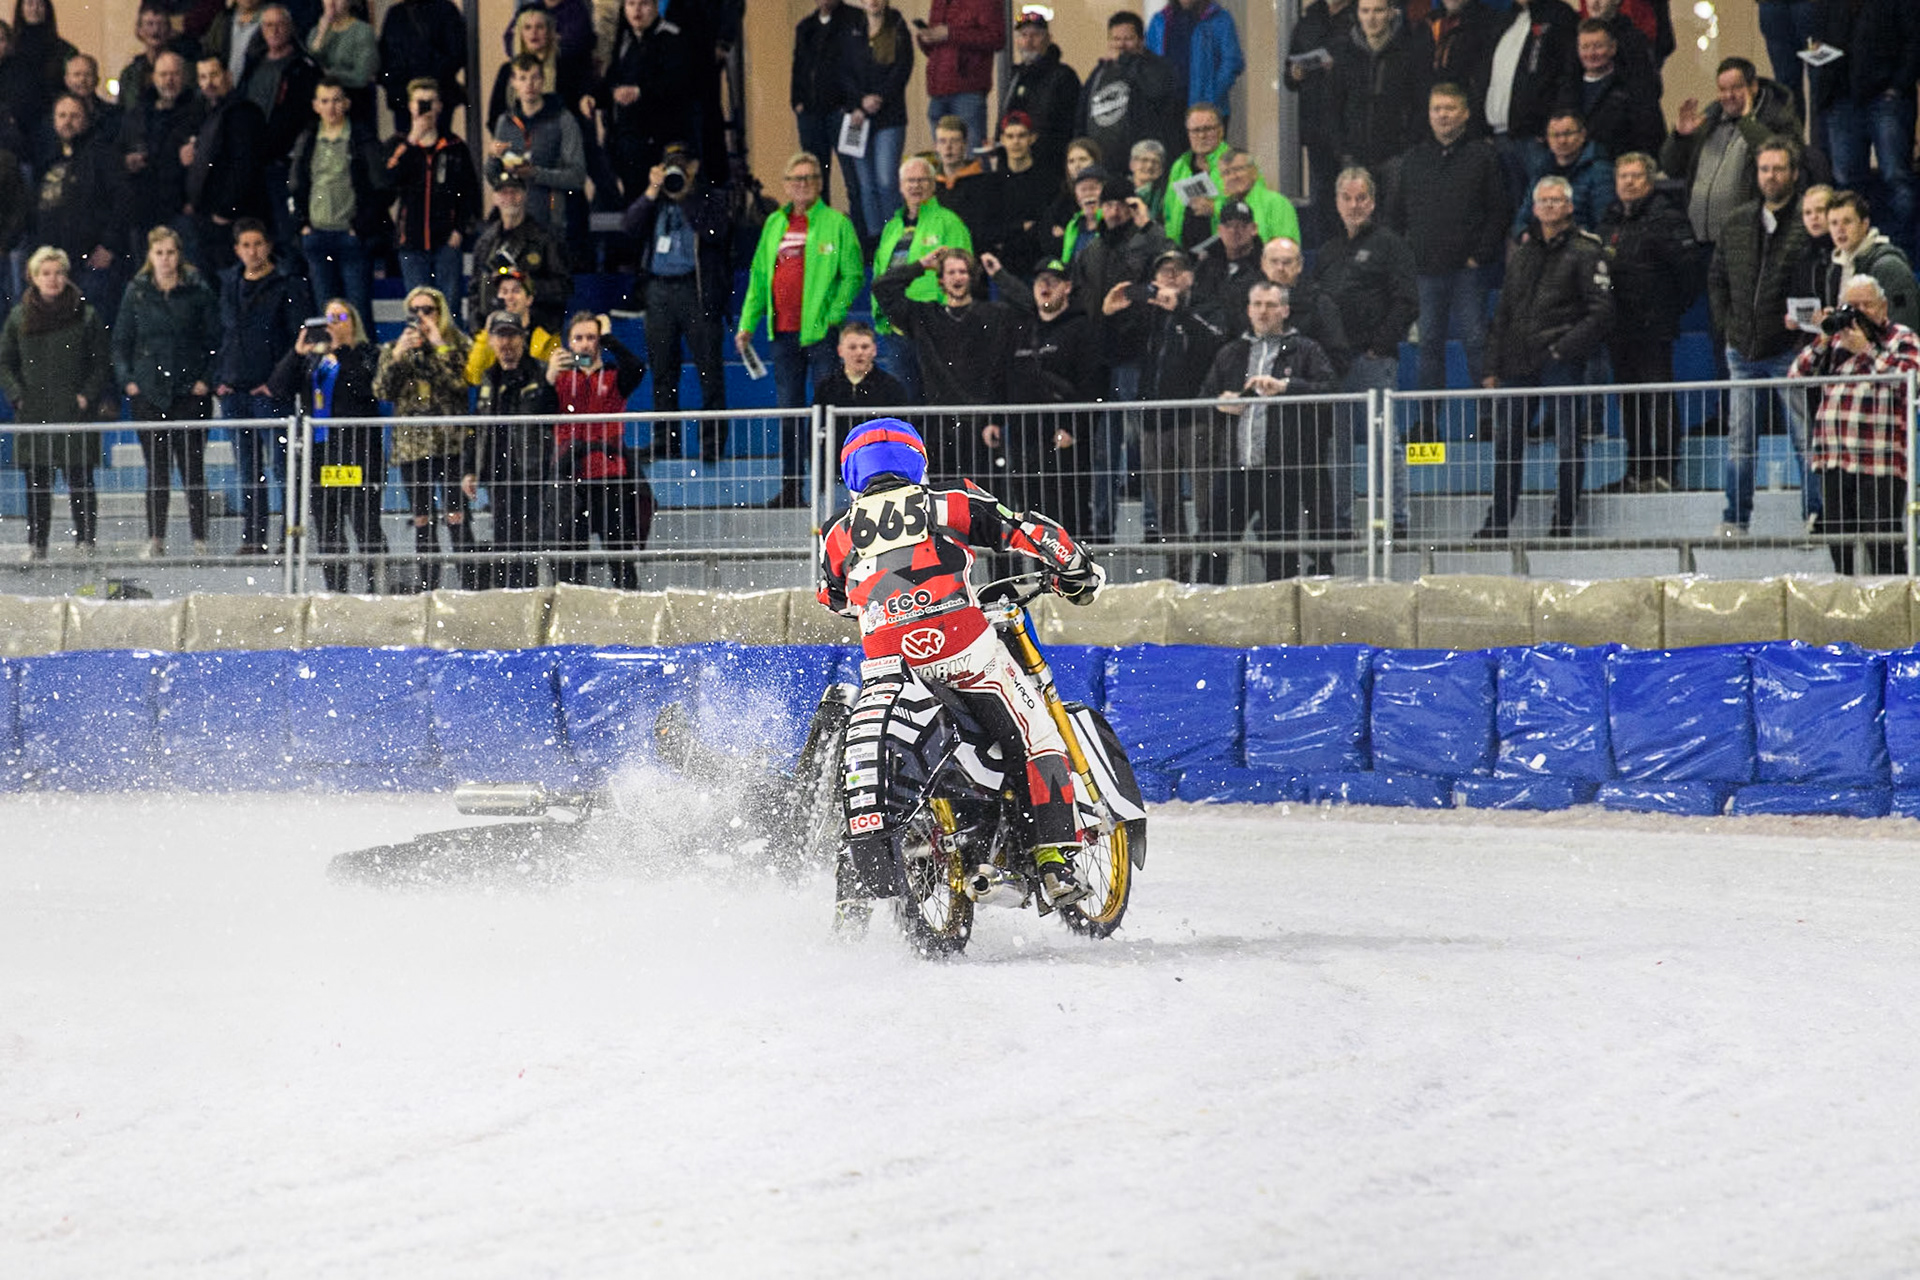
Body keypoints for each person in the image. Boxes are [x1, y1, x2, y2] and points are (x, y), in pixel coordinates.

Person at [817, 416, 1106, 908]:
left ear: (851, 473)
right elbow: (1026, 532)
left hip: (889, 664)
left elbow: (834, 598)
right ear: (917, 461)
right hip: (962, 651)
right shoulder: (947, 502)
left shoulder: (837, 533)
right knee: (1037, 737)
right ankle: (1053, 861)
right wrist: (1075, 565)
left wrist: (889, 603)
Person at [1478, 175, 1615, 540]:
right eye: (1544, 201)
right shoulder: (1522, 253)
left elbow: (1602, 312)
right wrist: (1492, 365)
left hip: (1562, 362)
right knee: (1507, 444)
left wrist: (1562, 349)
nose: (1550, 207)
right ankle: (1498, 522)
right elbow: (1503, 312)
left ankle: (1563, 522)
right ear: (1534, 208)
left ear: (1569, 206)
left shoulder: (1587, 250)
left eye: (1557, 201)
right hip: (1517, 362)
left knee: (1568, 443)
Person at [737, 151, 864, 504]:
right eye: (796, 179)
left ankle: (828, 486)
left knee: (825, 413)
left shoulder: (836, 223)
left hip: (822, 335)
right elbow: (759, 279)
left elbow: (853, 275)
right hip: (782, 333)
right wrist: (747, 324)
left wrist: (832, 316)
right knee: (790, 413)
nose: (803, 184)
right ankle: (792, 487)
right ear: (786, 185)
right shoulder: (774, 224)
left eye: (809, 178)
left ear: (819, 184)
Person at [1196, 280, 1340, 582]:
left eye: (1271, 305)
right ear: (1248, 310)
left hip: (1280, 468)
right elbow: (1204, 398)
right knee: (1214, 547)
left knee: (1280, 551)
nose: (1263, 311)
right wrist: (1220, 402)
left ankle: (1282, 608)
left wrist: (1286, 387)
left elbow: (1329, 389)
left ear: (1285, 310)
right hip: (1234, 466)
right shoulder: (1230, 352)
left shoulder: (1306, 349)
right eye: (1257, 304)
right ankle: (1206, 602)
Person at [1103, 246, 1228, 579]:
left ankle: (1210, 575)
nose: (1170, 278)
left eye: (1177, 271)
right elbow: (1115, 354)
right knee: (1166, 508)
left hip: (1196, 421)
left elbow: (1216, 342)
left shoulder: (1207, 306)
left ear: (1190, 277)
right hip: (1154, 423)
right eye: (1163, 272)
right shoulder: (1147, 314)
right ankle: (1178, 575)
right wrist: (1111, 316)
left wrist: (1181, 311)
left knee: (1206, 504)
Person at [1710, 137, 1812, 537]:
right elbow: (1717, 279)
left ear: (1794, 173)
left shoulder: (1806, 221)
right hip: (1741, 349)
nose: (1771, 176)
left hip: (1789, 350)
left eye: (1778, 168)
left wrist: (1801, 338)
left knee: (1805, 437)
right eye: (1764, 169)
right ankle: (1735, 520)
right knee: (1739, 440)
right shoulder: (1737, 221)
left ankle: (1815, 516)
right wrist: (1728, 326)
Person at [1311, 166, 1419, 535]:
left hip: (1372, 361)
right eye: (1347, 198)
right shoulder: (1328, 251)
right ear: (1337, 202)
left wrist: (1380, 345)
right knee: (1336, 447)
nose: (1354, 205)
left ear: (1372, 202)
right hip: (1334, 364)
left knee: (1384, 443)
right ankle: (1339, 521)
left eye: (1361, 198)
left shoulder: (1390, 244)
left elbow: (1407, 300)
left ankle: (1396, 519)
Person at [1789, 274, 1920, 575]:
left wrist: (1867, 350)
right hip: (1833, 458)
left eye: (1866, 305)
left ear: (1883, 307)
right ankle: (1846, 600)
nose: (1859, 312)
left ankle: (1892, 600)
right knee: (1839, 542)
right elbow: (1796, 376)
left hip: (1880, 459)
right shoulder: (1835, 340)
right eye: (1852, 306)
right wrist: (1823, 337)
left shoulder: (1901, 338)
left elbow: (1912, 381)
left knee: (1882, 543)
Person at [1387, 82, 1508, 397]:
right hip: (1424, 271)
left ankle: (1488, 415)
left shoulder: (1483, 156)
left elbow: (1499, 211)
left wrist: (1479, 256)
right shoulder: (1412, 160)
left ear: (1465, 113)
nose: (1443, 115)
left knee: (1476, 340)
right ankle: (1427, 419)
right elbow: (1396, 216)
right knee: (1428, 345)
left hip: (1468, 271)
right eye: (1436, 109)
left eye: (1450, 108)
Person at [872, 246, 1021, 486]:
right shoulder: (925, 316)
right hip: (939, 426)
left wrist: (999, 275)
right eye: (951, 272)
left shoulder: (994, 315)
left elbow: (1030, 308)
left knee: (987, 498)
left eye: (963, 271)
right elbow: (882, 288)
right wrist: (921, 265)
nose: (957, 277)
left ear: (972, 277)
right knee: (943, 497)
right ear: (941, 279)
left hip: (982, 424)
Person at [1594, 150, 1698, 495]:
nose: (1629, 182)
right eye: (1623, 176)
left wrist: (1666, 309)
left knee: (1659, 398)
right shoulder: (1609, 219)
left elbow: (1689, 273)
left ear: (1650, 181)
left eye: (1636, 176)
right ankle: (1636, 471)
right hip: (1618, 327)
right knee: (1630, 402)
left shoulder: (1666, 217)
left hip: (1655, 325)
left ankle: (1665, 471)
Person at [113, 226, 220, 560]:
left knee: (192, 468)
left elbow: (216, 339)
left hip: (190, 393)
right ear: (150, 255)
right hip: (149, 393)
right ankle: (155, 538)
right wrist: (128, 381)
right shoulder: (136, 292)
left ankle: (200, 539)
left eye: (170, 252)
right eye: (159, 253)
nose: (165, 259)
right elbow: (121, 341)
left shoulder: (198, 290)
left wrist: (206, 379)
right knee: (156, 470)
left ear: (179, 254)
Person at [270, 296, 388, 593]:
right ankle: (336, 591)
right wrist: (296, 354)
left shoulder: (367, 353)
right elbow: (278, 388)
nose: (333, 323)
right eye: (329, 318)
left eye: (341, 318)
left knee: (365, 524)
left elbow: (366, 389)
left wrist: (342, 354)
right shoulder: (314, 359)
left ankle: (376, 588)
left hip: (357, 453)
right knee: (328, 529)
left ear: (354, 324)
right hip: (321, 455)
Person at [622, 141, 730, 463]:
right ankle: (665, 442)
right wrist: (651, 192)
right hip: (658, 290)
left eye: (682, 164)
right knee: (662, 372)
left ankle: (711, 444)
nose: (676, 171)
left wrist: (686, 197)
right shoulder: (656, 200)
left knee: (709, 371)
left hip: (696, 290)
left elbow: (715, 233)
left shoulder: (710, 198)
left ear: (694, 167)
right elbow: (629, 227)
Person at [0, 244, 107, 558]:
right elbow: (4, 362)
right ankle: (37, 545)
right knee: (37, 485)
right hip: (34, 413)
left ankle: (85, 542)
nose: (53, 279)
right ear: (33, 277)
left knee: (80, 481)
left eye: (59, 273)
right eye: (46, 273)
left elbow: (101, 363)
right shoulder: (18, 317)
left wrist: (86, 396)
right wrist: (17, 395)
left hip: (74, 412)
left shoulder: (86, 315)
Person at [212, 217, 309, 556]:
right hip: (235, 392)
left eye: (257, 244)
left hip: (272, 393)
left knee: (284, 468)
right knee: (248, 470)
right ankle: (254, 537)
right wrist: (220, 378)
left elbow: (298, 342)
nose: (252, 251)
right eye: (246, 245)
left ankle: (291, 536)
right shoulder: (228, 284)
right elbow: (220, 334)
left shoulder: (287, 284)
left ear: (267, 246)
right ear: (237, 250)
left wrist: (276, 383)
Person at [990, 255, 1101, 537]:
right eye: (1041, 281)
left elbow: (1092, 385)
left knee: (1068, 511)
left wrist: (1073, 429)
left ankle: (1073, 564)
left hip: (1062, 439)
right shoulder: (1021, 329)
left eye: (1053, 281)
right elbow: (1002, 377)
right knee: (1027, 510)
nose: (1045, 287)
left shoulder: (1081, 329)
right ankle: (1036, 562)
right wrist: (993, 420)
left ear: (1067, 287)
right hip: (1022, 437)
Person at [373, 285, 473, 590]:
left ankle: (471, 586)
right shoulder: (395, 348)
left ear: (440, 312)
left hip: (450, 444)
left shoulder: (457, 344)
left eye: (427, 310)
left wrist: (439, 346)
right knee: (421, 519)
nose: (420, 316)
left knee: (456, 516)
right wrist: (398, 356)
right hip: (412, 446)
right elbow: (382, 391)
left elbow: (460, 382)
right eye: (414, 311)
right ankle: (429, 588)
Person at [545, 310, 651, 590]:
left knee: (621, 558)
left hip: (610, 477)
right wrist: (549, 376)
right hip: (570, 478)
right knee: (570, 561)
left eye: (591, 337)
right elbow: (538, 411)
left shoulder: (615, 376)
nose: (584, 344)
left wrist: (609, 338)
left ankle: (630, 608)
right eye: (578, 338)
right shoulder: (560, 378)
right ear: (569, 343)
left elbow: (637, 367)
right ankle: (571, 612)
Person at [1809, 0, 1918, 260]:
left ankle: (1903, 255)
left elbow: (1915, 39)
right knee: (1847, 182)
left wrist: (1898, 86)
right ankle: (1856, 255)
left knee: (1896, 177)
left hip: (1885, 95)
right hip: (1842, 97)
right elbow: (1820, 37)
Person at [1661, 56, 1802, 248]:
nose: (1729, 95)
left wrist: (1748, 123)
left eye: (1736, 88)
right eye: (1722, 89)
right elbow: (1671, 168)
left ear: (1753, 87)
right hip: (1700, 239)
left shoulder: (1778, 118)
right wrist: (1680, 137)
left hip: (1748, 241)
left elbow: (1782, 162)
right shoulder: (1709, 120)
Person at [466, 308, 558, 590]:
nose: (506, 343)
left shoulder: (539, 373)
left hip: (532, 471)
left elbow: (550, 412)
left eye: (511, 336)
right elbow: (476, 427)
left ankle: (532, 593)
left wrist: (548, 384)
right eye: (500, 336)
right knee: (504, 539)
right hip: (498, 473)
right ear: (492, 341)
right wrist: (470, 469)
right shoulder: (488, 377)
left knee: (532, 539)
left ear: (522, 338)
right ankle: (510, 595)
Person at [871, 153, 972, 401]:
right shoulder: (892, 227)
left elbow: (963, 271)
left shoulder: (949, 222)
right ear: (900, 186)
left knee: (937, 399)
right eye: (910, 181)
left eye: (922, 180)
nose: (916, 186)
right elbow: (880, 272)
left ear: (933, 185)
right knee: (904, 403)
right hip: (896, 329)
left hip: (934, 326)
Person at [288, 76, 386, 328]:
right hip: (316, 235)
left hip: (351, 235)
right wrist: (302, 223)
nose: (330, 107)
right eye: (324, 101)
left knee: (358, 313)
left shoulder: (361, 137)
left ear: (346, 103)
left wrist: (361, 226)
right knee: (326, 313)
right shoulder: (308, 138)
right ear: (315, 105)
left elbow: (380, 186)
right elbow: (296, 183)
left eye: (336, 100)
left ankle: (360, 355)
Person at [30, 91, 129, 323]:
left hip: (92, 261)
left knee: (95, 328)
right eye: (62, 115)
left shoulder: (102, 154)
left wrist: (109, 245)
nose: (67, 121)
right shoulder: (47, 158)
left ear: (86, 119)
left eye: (74, 116)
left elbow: (124, 201)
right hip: (55, 265)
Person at [384, 76, 479, 304]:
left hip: (447, 239)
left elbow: (470, 192)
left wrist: (460, 229)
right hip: (411, 240)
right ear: (410, 106)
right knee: (418, 306)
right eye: (420, 102)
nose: (425, 107)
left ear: (439, 106)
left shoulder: (454, 146)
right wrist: (412, 141)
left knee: (449, 304)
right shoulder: (398, 144)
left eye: (430, 102)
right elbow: (387, 181)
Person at [237, 5, 321, 263]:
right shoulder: (254, 65)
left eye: (279, 24)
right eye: (268, 25)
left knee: (287, 236)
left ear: (291, 28)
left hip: (284, 164)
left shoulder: (303, 67)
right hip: (253, 165)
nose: (273, 31)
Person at [593, 0, 691, 208]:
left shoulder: (671, 37)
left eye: (643, 4)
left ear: (656, 6)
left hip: (658, 140)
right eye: (631, 4)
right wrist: (595, 97)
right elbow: (612, 80)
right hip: (625, 140)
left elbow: (677, 83)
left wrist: (640, 92)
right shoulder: (624, 40)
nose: (636, 10)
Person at [180, 55, 268, 279]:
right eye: (203, 77)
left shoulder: (243, 113)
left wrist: (226, 210)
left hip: (231, 219)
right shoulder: (207, 112)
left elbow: (244, 165)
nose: (208, 82)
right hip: (208, 217)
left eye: (214, 75)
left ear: (228, 76)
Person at [838, 0, 913, 244]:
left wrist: (878, 97)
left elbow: (902, 69)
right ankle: (874, 241)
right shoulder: (851, 28)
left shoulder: (897, 26)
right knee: (866, 186)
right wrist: (860, 101)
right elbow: (843, 71)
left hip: (889, 116)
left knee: (886, 181)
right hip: (856, 117)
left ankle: (896, 239)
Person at [486, 53, 585, 236]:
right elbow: (494, 178)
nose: (529, 85)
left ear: (543, 80)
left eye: (535, 77)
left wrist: (535, 173)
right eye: (523, 78)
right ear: (513, 82)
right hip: (514, 221)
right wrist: (493, 157)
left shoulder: (562, 119)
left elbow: (577, 177)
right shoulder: (505, 122)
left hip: (552, 220)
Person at [1287, 0, 1358, 247]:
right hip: (1315, 124)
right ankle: (1327, 252)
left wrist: (1338, 68)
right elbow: (1289, 73)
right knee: (1322, 197)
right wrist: (1294, 73)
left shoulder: (1359, 16)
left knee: (1353, 193)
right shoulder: (1308, 20)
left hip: (1350, 124)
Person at [466, 173, 571, 336]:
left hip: (536, 331)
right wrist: (477, 331)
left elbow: (563, 288)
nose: (509, 198)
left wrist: (526, 283)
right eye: (503, 193)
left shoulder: (545, 239)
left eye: (514, 192)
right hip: (493, 332)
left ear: (524, 195)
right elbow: (474, 293)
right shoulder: (485, 243)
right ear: (495, 198)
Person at [1075, 10, 1181, 169]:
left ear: (1141, 40)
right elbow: (1082, 113)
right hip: (1102, 165)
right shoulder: (1100, 71)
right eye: (1116, 39)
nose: (1121, 45)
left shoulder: (1156, 67)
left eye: (1128, 39)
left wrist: (1125, 60)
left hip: (1141, 165)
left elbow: (1156, 91)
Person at [1328, 0, 1423, 173]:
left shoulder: (1408, 55)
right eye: (1365, 11)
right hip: (1353, 158)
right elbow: (1332, 106)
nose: (1371, 18)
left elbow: (1420, 105)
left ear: (1390, 13)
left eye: (1378, 11)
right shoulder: (1345, 55)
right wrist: (1342, 150)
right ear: (1357, 14)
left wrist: (1408, 147)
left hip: (1397, 158)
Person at [792, 0, 864, 225]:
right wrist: (797, 102)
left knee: (855, 178)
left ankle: (862, 235)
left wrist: (855, 103)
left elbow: (861, 64)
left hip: (848, 115)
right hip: (811, 115)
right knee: (815, 178)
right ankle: (820, 231)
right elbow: (798, 67)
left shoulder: (856, 19)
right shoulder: (805, 27)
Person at [119, 50, 201, 247]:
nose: (169, 80)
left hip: (180, 208)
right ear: (154, 77)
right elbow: (118, 150)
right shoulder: (137, 113)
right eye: (163, 74)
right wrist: (126, 162)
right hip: (142, 208)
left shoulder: (198, 112)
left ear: (184, 77)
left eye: (175, 74)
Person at [813, 320, 910, 474]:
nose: (859, 352)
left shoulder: (891, 386)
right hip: (836, 471)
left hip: (879, 470)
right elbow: (814, 432)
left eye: (864, 347)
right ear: (840, 351)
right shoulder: (826, 387)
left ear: (874, 350)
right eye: (852, 347)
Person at [1563, 18, 1663, 162]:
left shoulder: (1631, 89)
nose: (1591, 54)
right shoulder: (1567, 89)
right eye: (1585, 47)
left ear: (1613, 48)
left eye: (1598, 46)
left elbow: (1647, 135)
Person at [1822, 191, 1920, 332]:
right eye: (1834, 223)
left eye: (1847, 221)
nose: (1840, 229)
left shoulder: (1889, 266)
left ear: (1864, 224)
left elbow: (1906, 326)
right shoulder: (1835, 267)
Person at [999, 7, 1079, 179]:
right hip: (1014, 165)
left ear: (1048, 38)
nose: (1029, 41)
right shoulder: (1015, 76)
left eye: (1035, 35)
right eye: (1024, 35)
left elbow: (1070, 125)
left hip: (1050, 165)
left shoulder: (1063, 76)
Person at [1175, 148, 1300, 250]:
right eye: (1226, 173)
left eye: (1239, 169)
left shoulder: (1276, 202)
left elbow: (1287, 248)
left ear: (1254, 172)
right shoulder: (1220, 208)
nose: (1233, 177)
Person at [916, 0, 1001, 148]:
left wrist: (950, 33)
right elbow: (934, 50)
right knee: (943, 154)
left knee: (973, 153)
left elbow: (996, 38)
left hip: (968, 88)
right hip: (938, 88)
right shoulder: (939, 2)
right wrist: (926, 38)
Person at [1513, 111, 1614, 236]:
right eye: (1555, 135)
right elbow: (1522, 219)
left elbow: (1604, 222)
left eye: (1568, 133)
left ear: (1582, 135)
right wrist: (1524, 234)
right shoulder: (1541, 171)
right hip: (1542, 241)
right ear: (1547, 139)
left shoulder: (1600, 171)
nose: (1562, 140)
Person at [980, 111, 1055, 270]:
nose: (1016, 141)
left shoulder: (1047, 180)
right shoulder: (993, 183)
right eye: (1010, 136)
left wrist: (1011, 231)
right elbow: (988, 232)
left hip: (1040, 266)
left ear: (1032, 138)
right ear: (1002, 140)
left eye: (1021, 136)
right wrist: (1021, 227)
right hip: (1004, 267)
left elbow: (1046, 226)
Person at [1147, 0, 1245, 116]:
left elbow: (1232, 63)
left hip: (1207, 110)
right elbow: (1148, 62)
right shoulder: (1159, 21)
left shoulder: (1220, 19)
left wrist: (1210, 98)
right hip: (1167, 110)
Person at [465, 264, 558, 383]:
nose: (509, 297)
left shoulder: (547, 338)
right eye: (504, 291)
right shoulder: (488, 335)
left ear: (529, 299)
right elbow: (474, 377)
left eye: (516, 291)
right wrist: (488, 332)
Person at [376, 0, 466, 122]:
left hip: (435, 92)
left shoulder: (445, 10)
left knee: (435, 133)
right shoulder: (396, 13)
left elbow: (456, 54)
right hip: (405, 95)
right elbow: (384, 54)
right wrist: (389, 81)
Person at [1161, 102, 1229, 245]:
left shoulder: (1236, 162)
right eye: (1196, 130)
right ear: (1188, 134)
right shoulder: (1180, 166)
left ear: (1221, 131)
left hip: (1223, 249)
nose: (1202, 135)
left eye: (1208, 129)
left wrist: (1215, 208)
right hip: (1183, 251)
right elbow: (1168, 213)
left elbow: (1253, 206)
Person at [1191, 197, 1264, 320]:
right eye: (1228, 225)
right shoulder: (1206, 264)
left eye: (1242, 226)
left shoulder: (1265, 264)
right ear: (1219, 230)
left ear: (1253, 229)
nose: (1234, 231)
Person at [305, 0, 376, 128]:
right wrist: (321, 34)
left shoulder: (363, 31)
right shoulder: (316, 31)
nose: (332, 2)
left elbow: (362, 76)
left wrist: (327, 74)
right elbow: (309, 66)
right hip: (321, 106)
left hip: (354, 102)